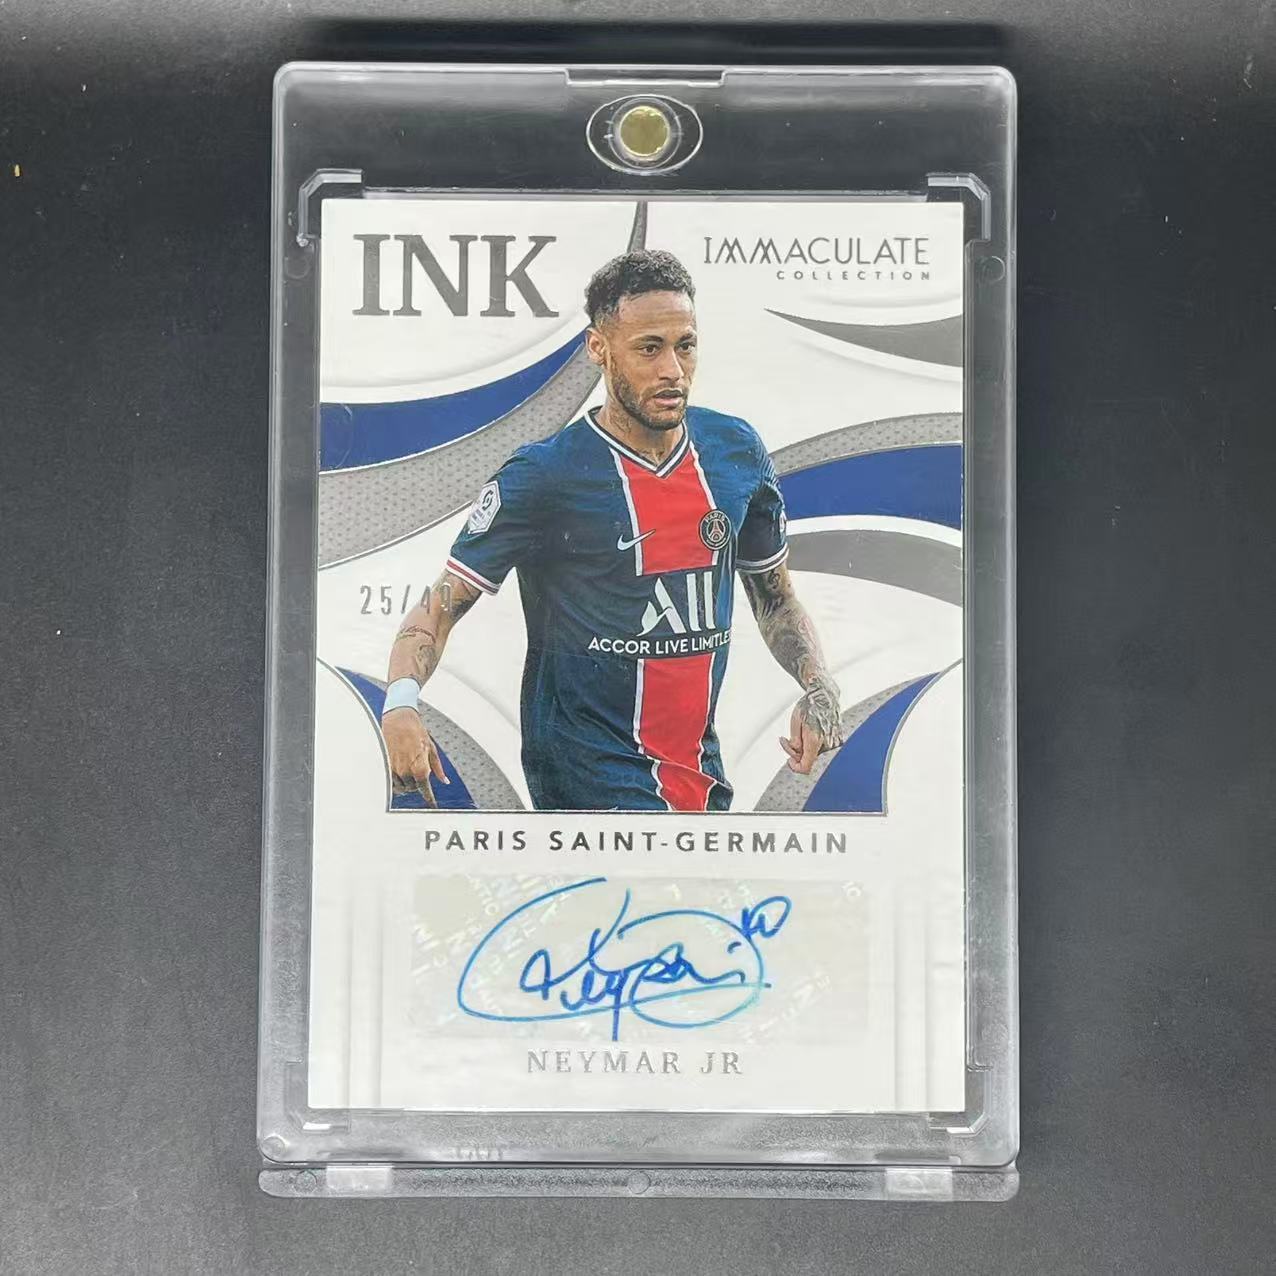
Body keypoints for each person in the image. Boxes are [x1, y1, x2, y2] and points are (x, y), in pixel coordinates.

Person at [380, 248, 843, 810]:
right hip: (585, 790)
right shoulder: (546, 474)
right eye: (649, 348)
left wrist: (819, 685)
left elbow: (776, 600)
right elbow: (439, 607)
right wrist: (400, 703)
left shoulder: (735, 452)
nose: (672, 370)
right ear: (599, 349)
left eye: (685, 345)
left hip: (700, 783)